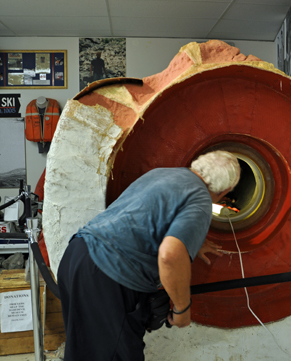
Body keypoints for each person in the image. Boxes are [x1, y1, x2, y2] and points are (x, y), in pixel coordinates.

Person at [57, 150, 241, 361]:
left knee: (84, 353)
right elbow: (170, 255)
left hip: (78, 255)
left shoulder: (161, 174)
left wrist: (190, 239)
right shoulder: (200, 200)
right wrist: (182, 309)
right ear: (225, 190)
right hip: (109, 276)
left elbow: (143, 218)